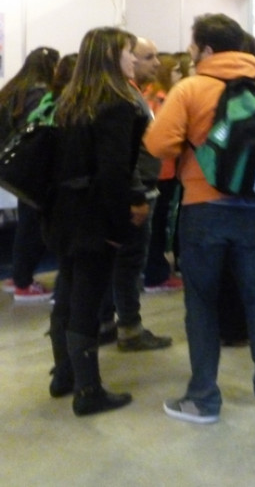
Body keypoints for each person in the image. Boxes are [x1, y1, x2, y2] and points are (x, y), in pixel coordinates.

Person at [144, 13, 255, 424]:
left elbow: (158, 143)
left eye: (194, 47)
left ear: (207, 50)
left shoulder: (190, 89)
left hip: (203, 209)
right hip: (254, 211)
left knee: (201, 301)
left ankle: (204, 399)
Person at [45, 28, 149, 416]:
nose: (133, 59)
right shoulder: (116, 104)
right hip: (94, 217)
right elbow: (113, 173)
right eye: (127, 52)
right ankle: (88, 391)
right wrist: (118, 230)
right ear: (109, 56)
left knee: (68, 293)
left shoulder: (70, 100)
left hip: (64, 214)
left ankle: (64, 374)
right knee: (87, 298)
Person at [100, 36, 173, 352]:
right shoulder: (123, 97)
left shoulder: (119, 94)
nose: (155, 63)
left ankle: (106, 323)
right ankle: (129, 328)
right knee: (128, 264)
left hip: (132, 190)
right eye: (145, 56)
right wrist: (138, 195)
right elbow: (121, 156)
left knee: (116, 263)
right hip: (135, 192)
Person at [0, 46, 60, 302]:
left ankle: (19, 277)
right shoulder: (39, 95)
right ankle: (23, 280)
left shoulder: (12, 92)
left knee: (27, 222)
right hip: (32, 169)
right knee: (33, 226)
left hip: (15, 168)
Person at [142, 53, 188, 292]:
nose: (181, 75)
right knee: (158, 224)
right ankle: (156, 274)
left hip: (157, 170)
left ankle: (154, 269)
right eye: (177, 71)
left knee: (156, 224)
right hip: (163, 170)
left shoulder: (148, 95)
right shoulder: (163, 99)